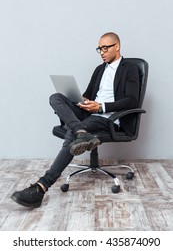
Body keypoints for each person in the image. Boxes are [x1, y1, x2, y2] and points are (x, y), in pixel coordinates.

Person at [11, 32, 140, 208]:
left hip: (108, 118)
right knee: (55, 97)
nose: (101, 52)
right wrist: (82, 101)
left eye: (105, 48)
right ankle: (81, 132)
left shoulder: (130, 68)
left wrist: (100, 107)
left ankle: (41, 188)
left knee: (71, 133)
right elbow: (88, 94)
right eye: (99, 49)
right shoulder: (100, 69)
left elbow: (132, 100)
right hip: (90, 114)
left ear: (116, 46)